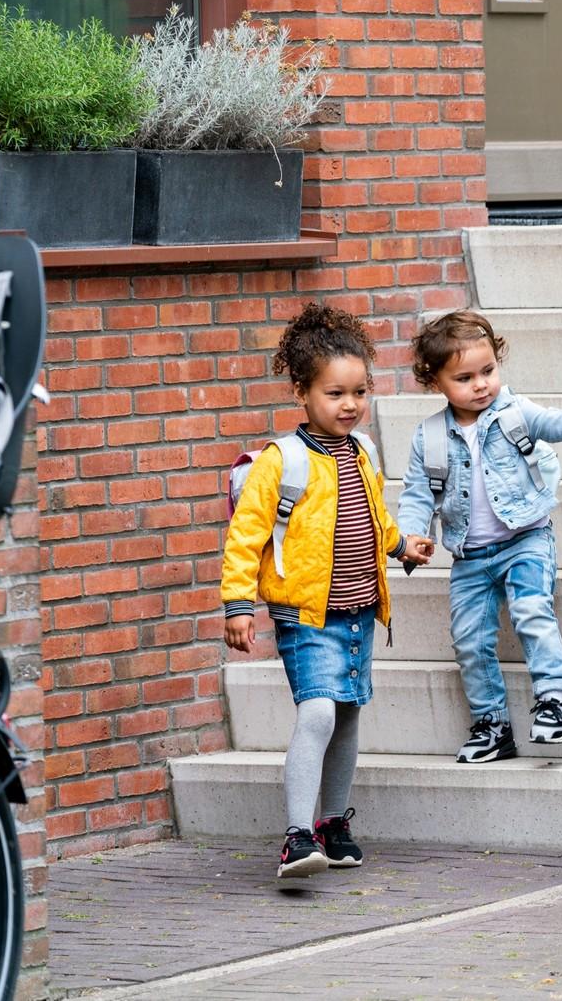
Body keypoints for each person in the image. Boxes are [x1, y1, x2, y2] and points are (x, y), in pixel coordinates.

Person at [221, 303, 414, 881]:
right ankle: (296, 835)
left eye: (359, 392)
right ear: (303, 392)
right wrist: (238, 606)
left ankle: (332, 824)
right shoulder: (284, 461)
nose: (350, 404)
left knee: (348, 719)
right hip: (305, 616)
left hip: (358, 615)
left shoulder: (364, 452)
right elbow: (245, 536)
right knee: (319, 714)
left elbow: (374, 519)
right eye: (335, 393)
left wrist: (402, 548)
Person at [397, 310, 562, 764]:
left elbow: (559, 422)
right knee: (468, 639)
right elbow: (417, 493)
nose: (481, 384)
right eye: (465, 378)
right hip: (470, 556)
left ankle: (553, 700)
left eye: (488, 371)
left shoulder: (514, 413)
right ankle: (492, 725)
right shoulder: (429, 438)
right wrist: (410, 533)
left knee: (530, 609)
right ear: (435, 382)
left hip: (526, 540)